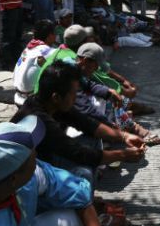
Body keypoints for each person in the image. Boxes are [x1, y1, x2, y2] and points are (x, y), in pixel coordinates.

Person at [10, 61, 146, 190]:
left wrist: (124, 136)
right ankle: (84, 206)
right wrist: (122, 155)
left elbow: (87, 123)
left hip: (49, 157)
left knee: (93, 140)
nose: (76, 98)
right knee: (84, 173)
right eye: (73, 94)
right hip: (29, 177)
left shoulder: (48, 102)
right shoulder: (39, 119)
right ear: (56, 97)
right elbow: (77, 153)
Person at [13, 19, 57, 107]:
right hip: (30, 101)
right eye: (54, 33)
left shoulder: (28, 48)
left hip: (18, 97)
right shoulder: (48, 51)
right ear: (49, 36)